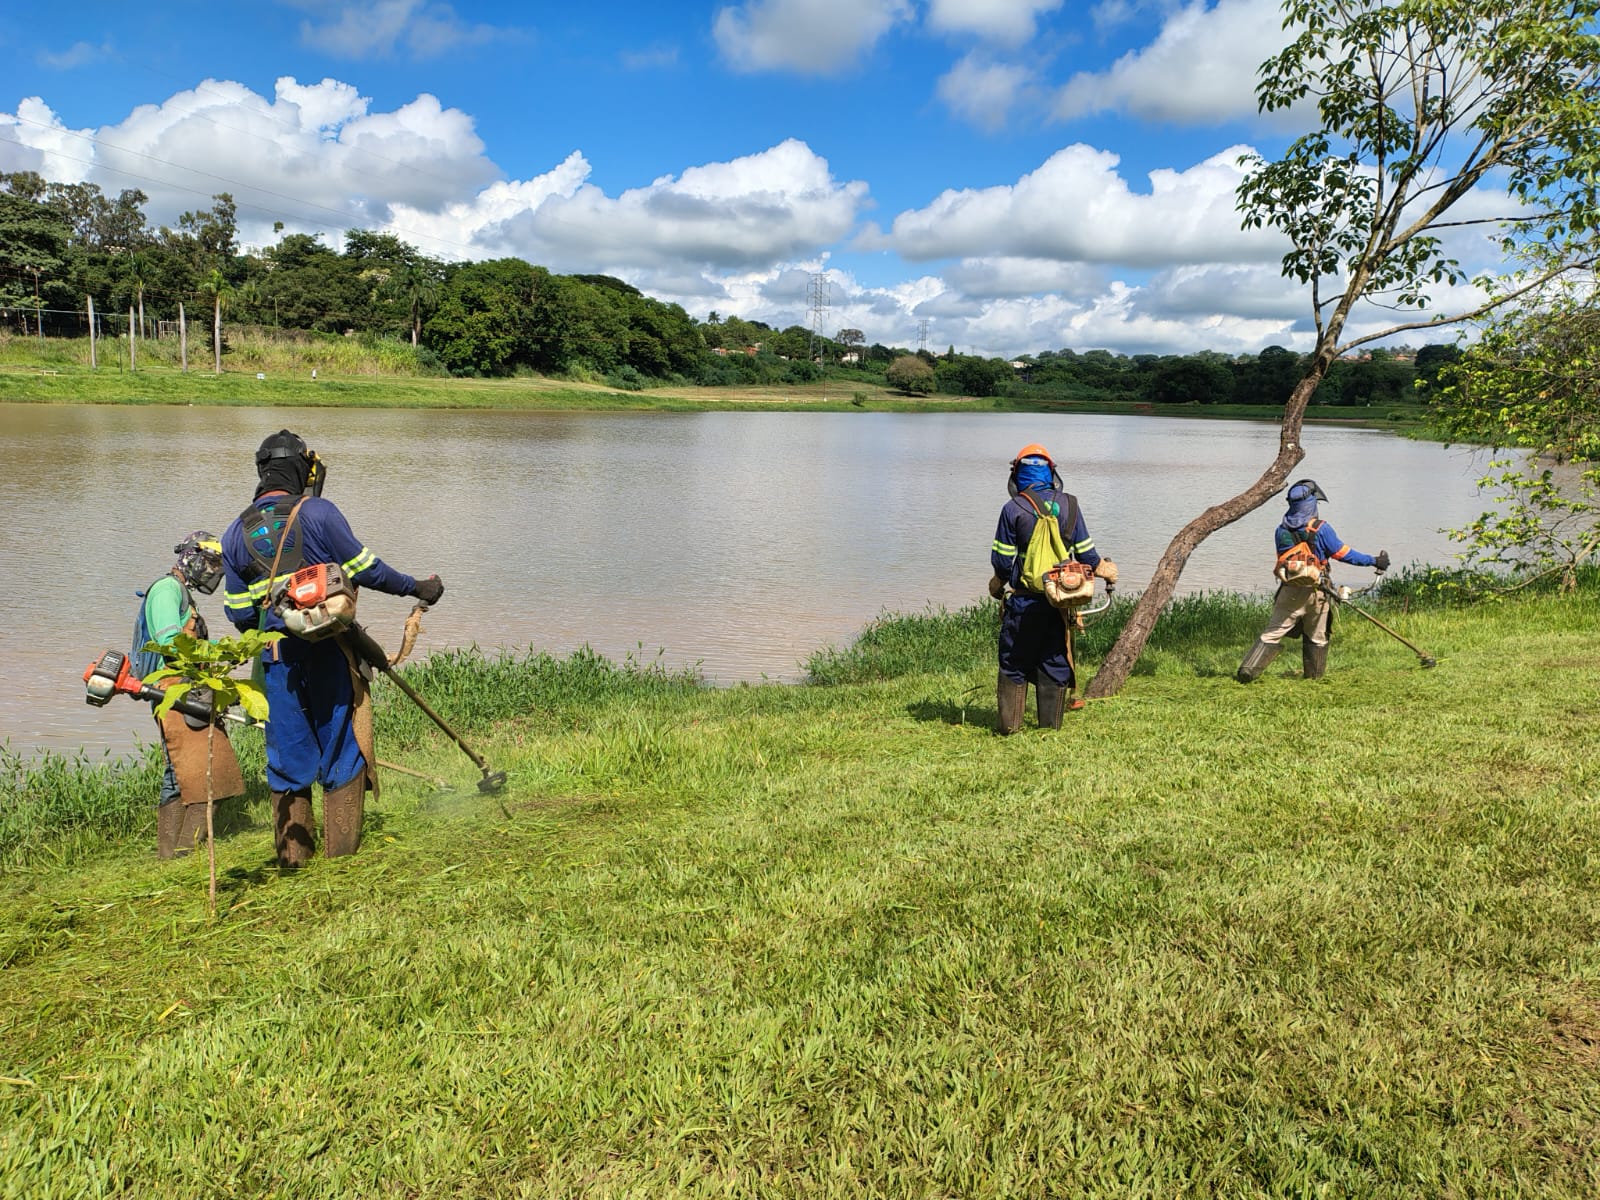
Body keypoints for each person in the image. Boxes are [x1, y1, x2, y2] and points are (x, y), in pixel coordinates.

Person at [221, 430, 444, 867]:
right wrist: (419, 587)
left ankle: (294, 862)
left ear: (262, 470)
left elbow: (239, 614)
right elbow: (368, 570)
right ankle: (342, 860)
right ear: (302, 469)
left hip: (278, 662)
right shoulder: (319, 512)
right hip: (330, 652)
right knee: (341, 746)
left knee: (286, 759)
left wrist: (278, 619)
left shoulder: (235, 533)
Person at [988, 444, 1116, 732]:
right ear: (1051, 474)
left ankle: (1010, 727)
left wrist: (997, 584)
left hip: (1024, 603)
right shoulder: (1071, 505)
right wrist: (1106, 569)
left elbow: (1002, 562)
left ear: (1017, 475)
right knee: (1055, 659)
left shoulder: (1012, 509)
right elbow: (1088, 556)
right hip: (1060, 602)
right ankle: (1050, 727)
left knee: (1014, 660)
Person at [135, 531, 245, 859]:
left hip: (189, 689)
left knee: (203, 768)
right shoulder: (166, 591)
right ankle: (174, 853)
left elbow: (190, 645)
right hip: (172, 691)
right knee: (183, 770)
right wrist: (219, 651)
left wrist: (228, 652)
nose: (212, 572)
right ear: (191, 558)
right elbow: (171, 643)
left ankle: (180, 851)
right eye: (209, 563)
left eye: (217, 566)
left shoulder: (182, 593)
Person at [1236, 479, 1390, 683]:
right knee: (1317, 635)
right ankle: (1314, 677)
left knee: (1272, 632)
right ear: (1311, 504)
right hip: (1318, 591)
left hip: (1289, 590)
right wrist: (1374, 561)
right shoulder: (1321, 528)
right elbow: (1344, 554)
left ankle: (1248, 671)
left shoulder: (1281, 530)